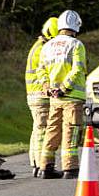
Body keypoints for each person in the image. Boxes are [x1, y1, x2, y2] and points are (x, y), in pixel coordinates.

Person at [37, 10, 87, 179]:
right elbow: (78, 69)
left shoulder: (47, 46)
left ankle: (46, 167)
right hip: (71, 97)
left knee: (52, 130)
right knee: (70, 131)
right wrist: (65, 88)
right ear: (76, 26)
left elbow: (41, 70)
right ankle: (70, 168)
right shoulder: (76, 45)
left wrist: (47, 87)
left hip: (54, 99)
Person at [25, 16, 58, 177]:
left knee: (37, 129)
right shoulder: (42, 49)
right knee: (43, 130)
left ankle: (35, 163)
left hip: (34, 95)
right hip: (40, 95)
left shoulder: (37, 46)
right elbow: (47, 70)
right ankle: (40, 164)